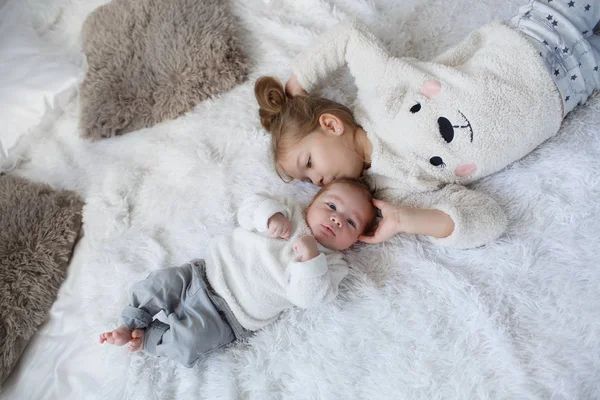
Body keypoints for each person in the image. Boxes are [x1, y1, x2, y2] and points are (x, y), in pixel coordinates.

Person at [255, 0, 600, 249]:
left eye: (309, 163)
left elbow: (348, 37)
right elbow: (487, 219)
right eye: (307, 180)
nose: (315, 181)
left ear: (330, 125)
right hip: (568, 89)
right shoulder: (394, 191)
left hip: (531, 38)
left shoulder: (378, 91)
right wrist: (406, 221)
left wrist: (296, 89)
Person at [99, 178, 376, 367]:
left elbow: (311, 298)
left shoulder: (333, 265)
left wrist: (310, 260)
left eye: (350, 222)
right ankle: (131, 321)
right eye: (331, 206)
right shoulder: (288, 210)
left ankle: (148, 338)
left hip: (228, 318)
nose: (336, 219)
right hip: (203, 273)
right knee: (158, 285)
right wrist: (268, 216)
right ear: (311, 203)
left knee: (188, 342)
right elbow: (248, 208)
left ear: (357, 241)